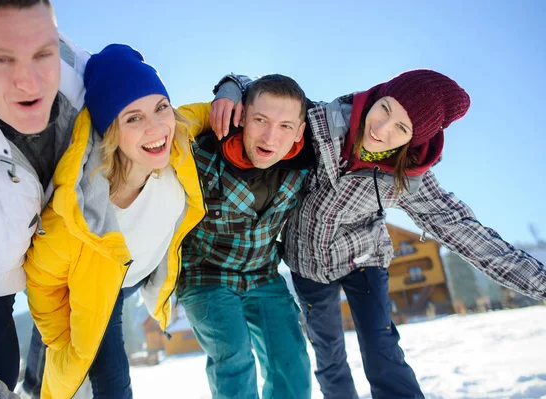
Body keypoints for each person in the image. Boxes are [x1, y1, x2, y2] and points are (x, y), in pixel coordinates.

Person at [211, 69, 546, 399]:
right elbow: (265, 94)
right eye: (385, 108)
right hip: (307, 263)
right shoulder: (321, 124)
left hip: (364, 260)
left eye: (401, 127)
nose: (381, 128)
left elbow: (469, 235)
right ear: (377, 95)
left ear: (414, 139)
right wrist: (230, 89)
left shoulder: (408, 177)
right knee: (328, 354)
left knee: (380, 345)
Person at [23, 43, 208, 399]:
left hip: (136, 277)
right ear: (111, 130)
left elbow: (207, 112)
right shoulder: (79, 211)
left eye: (161, 107)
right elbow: (42, 282)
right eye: (133, 118)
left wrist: (232, 88)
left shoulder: (178, 139)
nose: (157, 128)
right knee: (112, 388)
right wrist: (64, 341)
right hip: (98, 293)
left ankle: (34, 377)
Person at [0, 0, 88, 397]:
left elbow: (127, 70)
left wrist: (234, 88)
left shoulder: (77, 74)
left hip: (57, 265)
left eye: (43, 53)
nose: (30, 81)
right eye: (1, 60)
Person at [177, 74, 314, 399]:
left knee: (292, 364)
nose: (270, 136)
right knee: (235, 359)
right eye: (260, 120)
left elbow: (354, 114)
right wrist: (230, 86)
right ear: (241, 117)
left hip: (263, 275)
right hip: (206, 276)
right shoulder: (205, 155)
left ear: (300, 131)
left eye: (284, 126)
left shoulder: (306, 164)